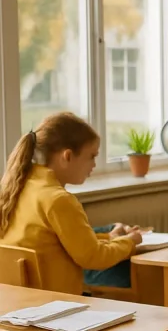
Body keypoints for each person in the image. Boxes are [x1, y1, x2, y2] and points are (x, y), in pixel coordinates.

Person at [0, 112, 142, 295]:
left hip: (19, 302)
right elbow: (94, 258)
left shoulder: (17, 188)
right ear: (67, 156)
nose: (94, 165)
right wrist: (130, 242)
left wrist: (109, 237)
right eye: (92, 156)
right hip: (58, 305)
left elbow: (57, 243)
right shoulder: (58, 200)